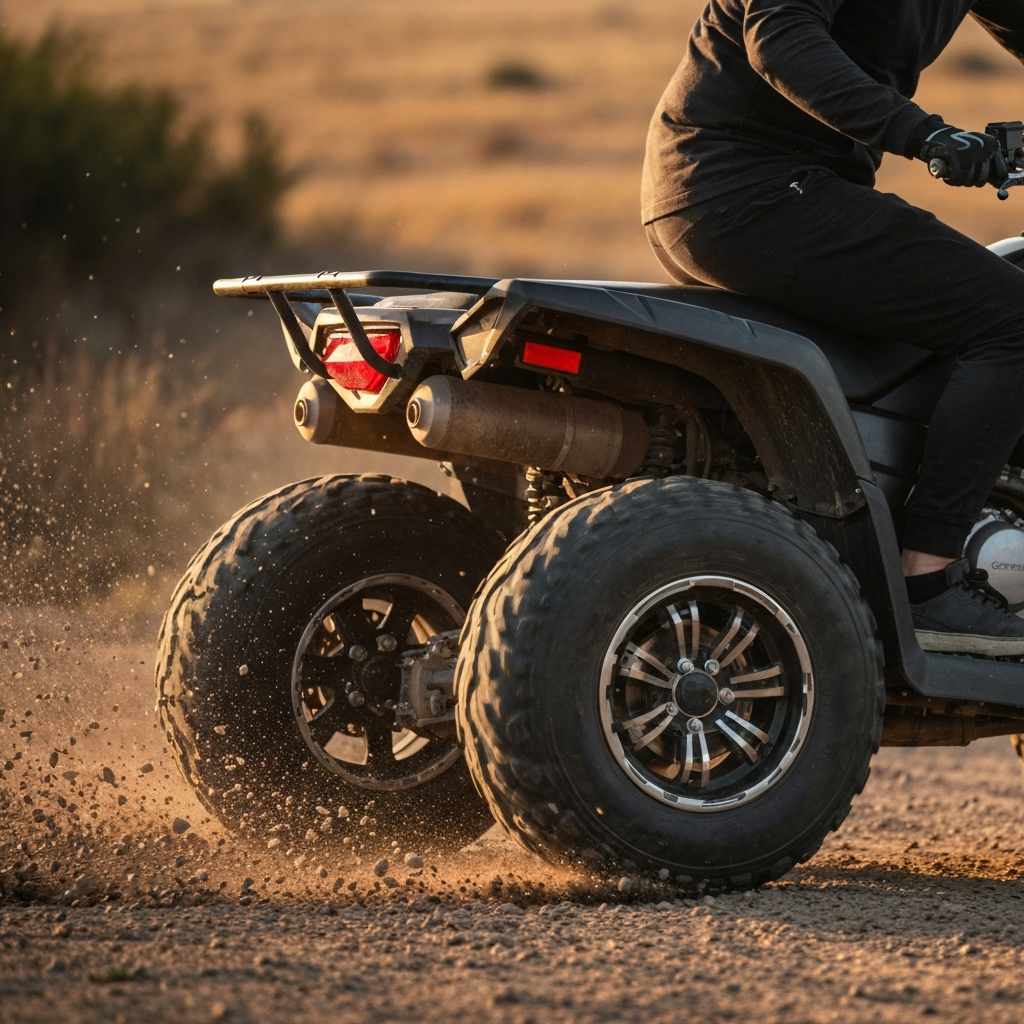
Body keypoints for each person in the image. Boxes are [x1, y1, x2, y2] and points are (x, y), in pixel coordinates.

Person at [642, 0, 1024, 655]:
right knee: (1013, 321)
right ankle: (930, 583)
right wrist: (923, 135)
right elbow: (780, 37)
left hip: (759, 194)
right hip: (750, 191)